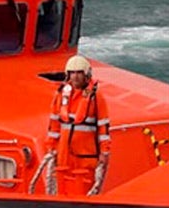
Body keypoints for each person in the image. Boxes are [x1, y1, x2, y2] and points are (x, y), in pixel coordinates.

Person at [32, 55, 111, 197]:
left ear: (86, 74)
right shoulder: (61, 95)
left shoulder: (95, 97)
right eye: (72, 73)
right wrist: (51, 147)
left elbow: (103, 127)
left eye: (79, 73)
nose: (75, 77)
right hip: (64, 154)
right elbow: (54, 125)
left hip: (86, 155)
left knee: (86, 190)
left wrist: (104, 152)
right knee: (62, 188)